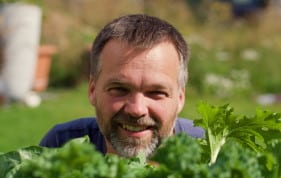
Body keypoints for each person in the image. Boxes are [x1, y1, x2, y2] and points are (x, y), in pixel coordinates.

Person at [40, 14, 204, 158]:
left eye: (156, 92)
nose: (137, 109)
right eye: (119, 89)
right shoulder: (61, 146)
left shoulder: (210, 153)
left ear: (180, 98)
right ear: (92, 90)